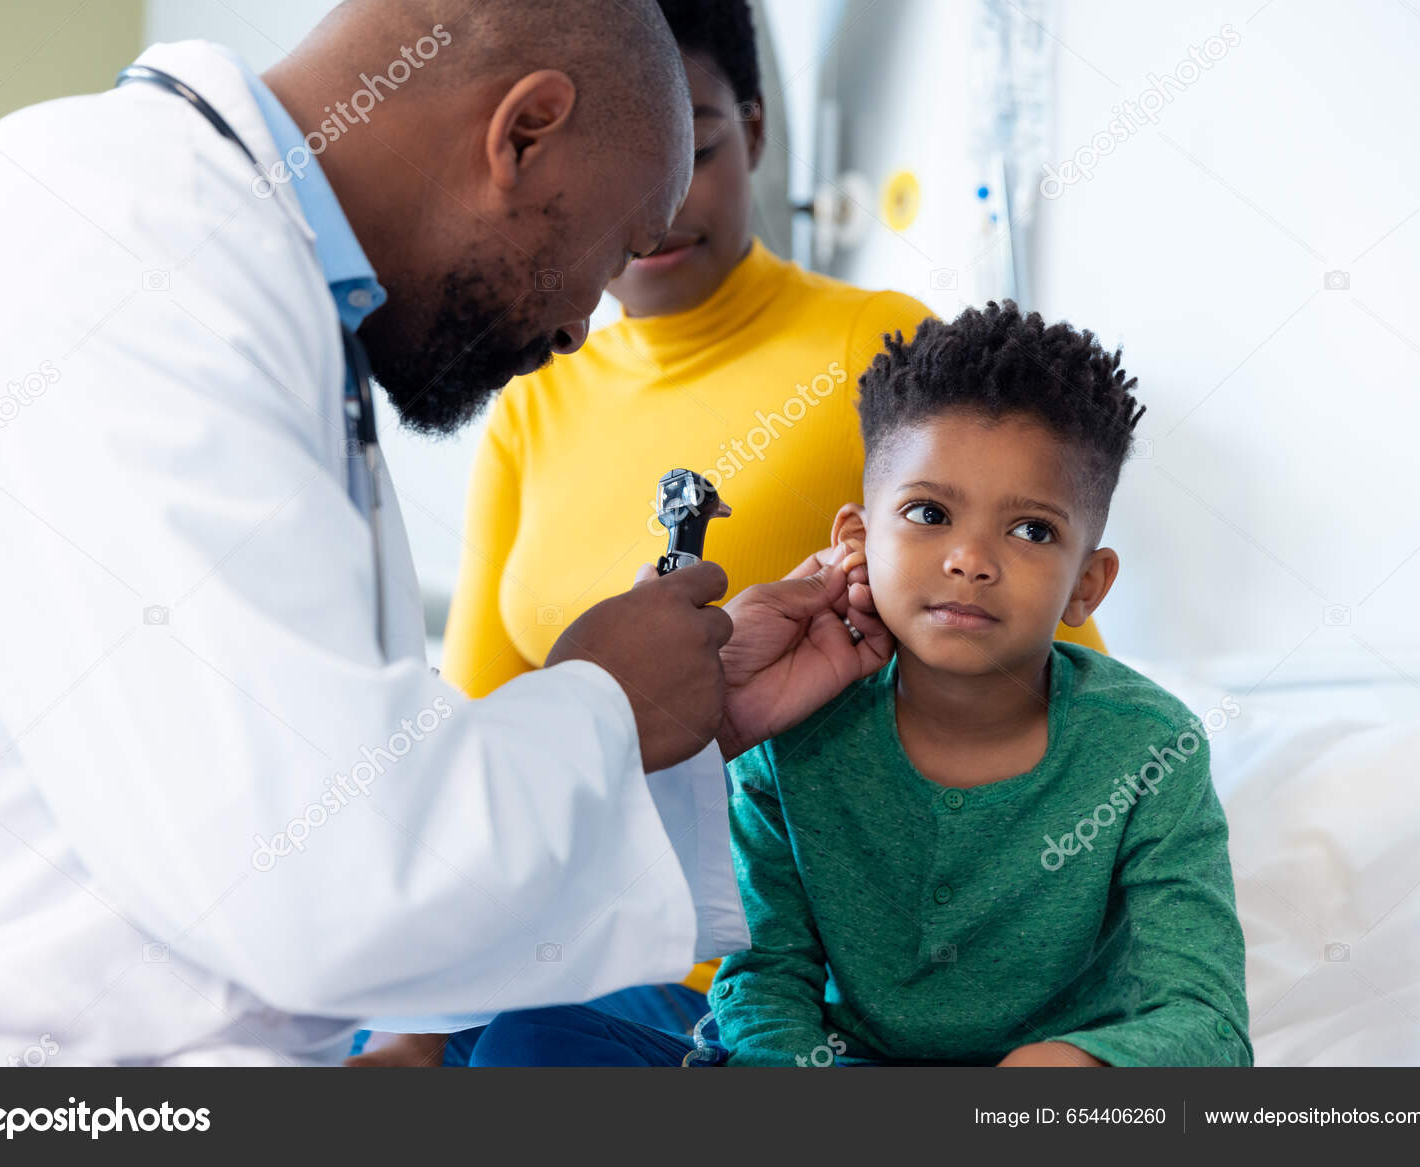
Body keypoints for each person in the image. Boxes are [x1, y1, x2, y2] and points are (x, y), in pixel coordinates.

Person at [0, 0, 890, 1066]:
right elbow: (311, 875)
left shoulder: (253, 278)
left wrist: (684, 724)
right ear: (524, 134)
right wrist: (609, 704)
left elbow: (347, 810)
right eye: (611, 245)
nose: (582, 323)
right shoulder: (123, 251)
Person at [371, 0, 1102, 1067]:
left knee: (531, 1052)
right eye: (606, 165)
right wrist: (406, 1037)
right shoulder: (533, 400)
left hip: (777, 966)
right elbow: (487, 732)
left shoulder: (878, 352)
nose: (655, 207)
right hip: (560, 939)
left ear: (753, 132)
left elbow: (1047, 657)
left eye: (695, 151)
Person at [466, 302, 1251, 1067]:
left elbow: (1207, 1021)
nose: (971, 559)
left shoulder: (1150, 748)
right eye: (928, 511)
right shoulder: (794, 731)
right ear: (857, 541)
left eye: (1031, 530)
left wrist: (1073, 1064)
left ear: (1088, 583)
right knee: (529, 1039)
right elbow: (766, 980)